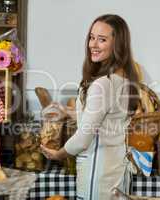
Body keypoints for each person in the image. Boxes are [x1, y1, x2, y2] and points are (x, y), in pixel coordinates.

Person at [41, 14, 140, 200]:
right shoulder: (126, 79)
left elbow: (84, 137)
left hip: (98, 173)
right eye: (92, 37)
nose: (93, 44)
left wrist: (59, 154)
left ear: (117, 45)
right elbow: (105, 120)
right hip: (116, 169)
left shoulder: (103, 84)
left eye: (102, 40)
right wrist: (67, 111)